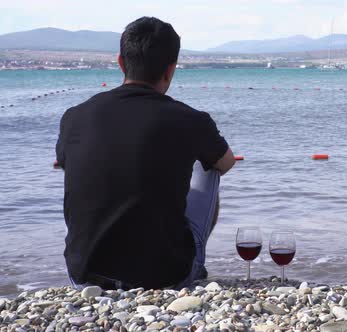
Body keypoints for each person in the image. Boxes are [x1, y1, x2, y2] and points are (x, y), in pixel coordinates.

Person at [55, 17, 235, 290]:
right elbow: (226, 162)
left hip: (83, 276)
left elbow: (66, 164)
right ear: (170, 70)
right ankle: (188, 261)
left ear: (120, 62)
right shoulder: (190, 119)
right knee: (210, 167)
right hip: (166, 276)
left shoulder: (74, 117)